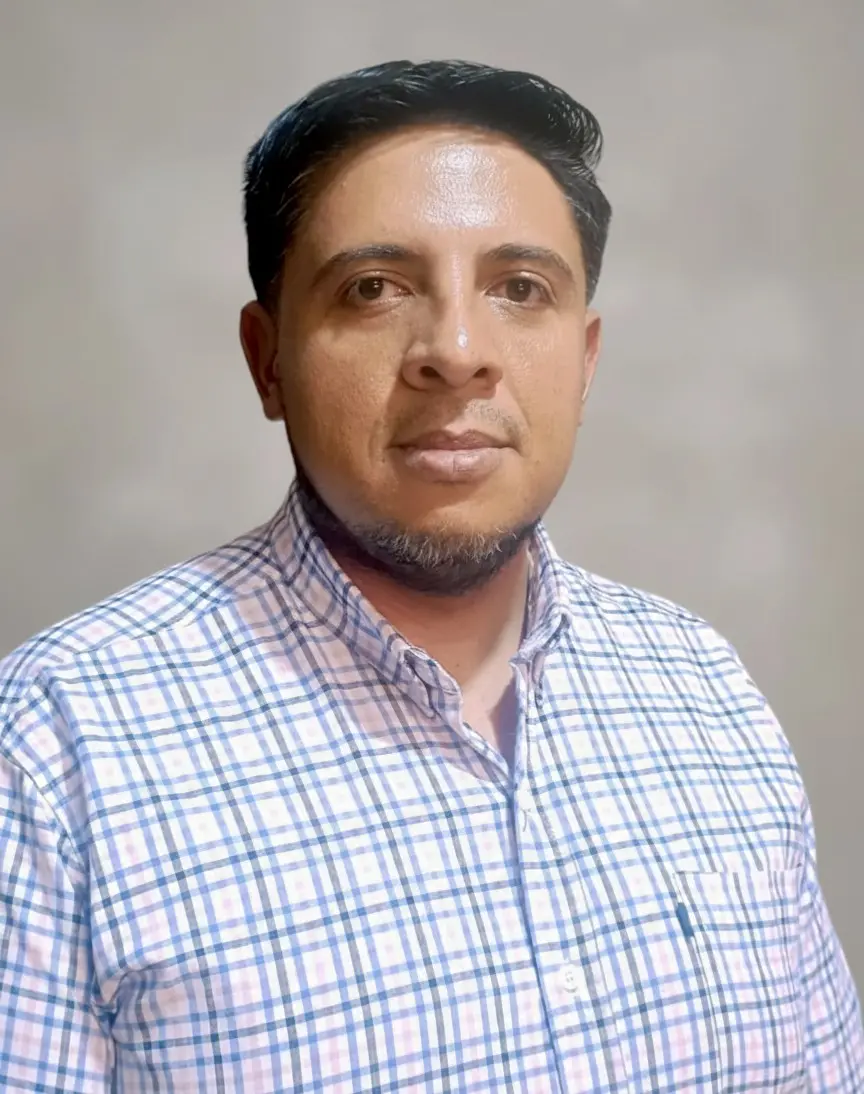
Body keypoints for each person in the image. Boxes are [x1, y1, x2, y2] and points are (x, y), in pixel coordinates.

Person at [0, 59, 860, 1094]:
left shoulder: (704, 689)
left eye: (520, 289)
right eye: (374, 288)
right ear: (267, 358)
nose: (456, 352)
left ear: (585, 360)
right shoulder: (57, 743)